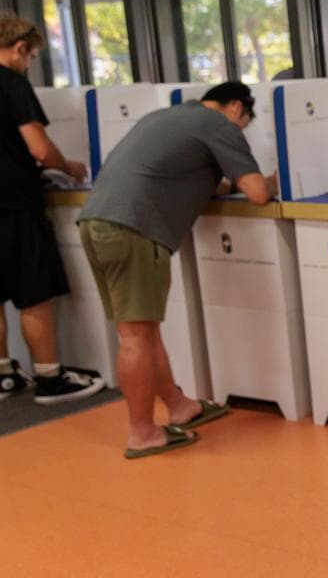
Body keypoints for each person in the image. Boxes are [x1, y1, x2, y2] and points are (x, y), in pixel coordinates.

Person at [78, 81, 279, 459]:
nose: (241, 131)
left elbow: (189, 180)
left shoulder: (168, 117)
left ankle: (179, 406)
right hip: (135, 228)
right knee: (135, 335)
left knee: (142, 329)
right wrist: (275, 178)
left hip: (96, 222)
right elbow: (256, 192)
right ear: (236, 108)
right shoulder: (218, 124)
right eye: (245, 123)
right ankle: (142, 433)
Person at [0, 15, 106, 405]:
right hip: (14, 205)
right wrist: (68, 167)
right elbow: (40, 149)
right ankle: (50, 378)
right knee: (34, 292)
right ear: (20, 48)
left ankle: (4, 374)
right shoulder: (12, 83)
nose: (29, 64)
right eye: (31, 57)